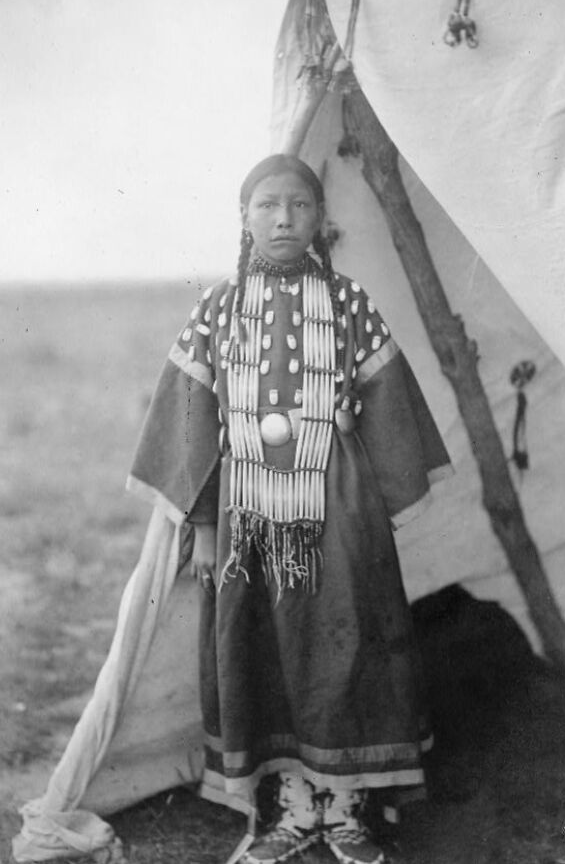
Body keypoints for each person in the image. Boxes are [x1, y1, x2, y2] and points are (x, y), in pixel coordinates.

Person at [128, 154, 452, 864]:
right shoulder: (216, 308)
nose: (283, 218)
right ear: (244, 218)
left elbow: (392, 413)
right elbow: (190, 423)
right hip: (245, 507)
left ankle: (348, 805)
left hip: (337, 503)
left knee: (345, 638)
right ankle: (288, 804)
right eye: (268, 205)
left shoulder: (349, 304)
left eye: (299, 205)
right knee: (261, 645)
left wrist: (372, 511)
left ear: (319, 218)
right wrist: (207, 525)